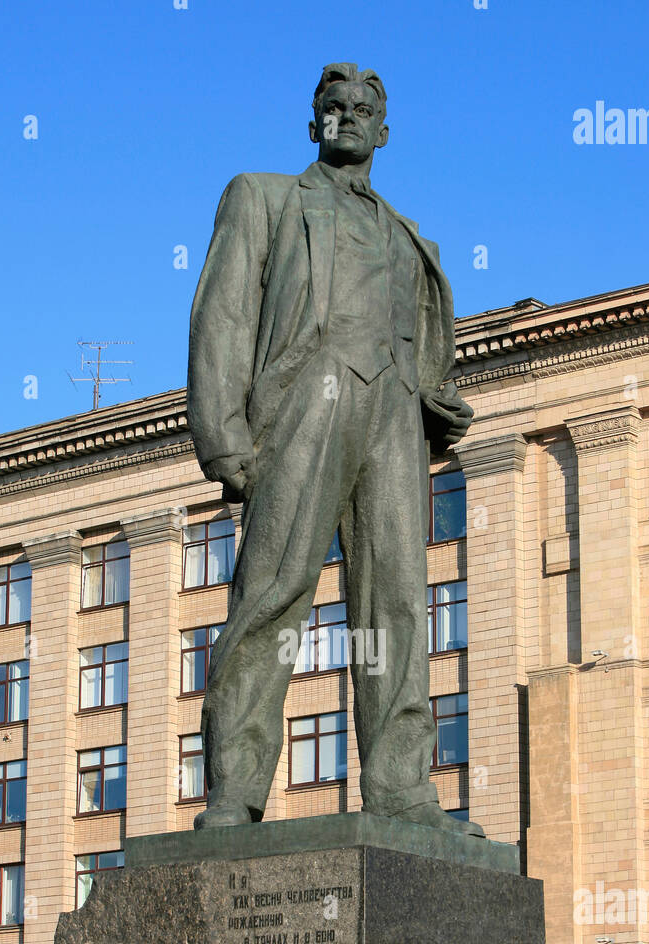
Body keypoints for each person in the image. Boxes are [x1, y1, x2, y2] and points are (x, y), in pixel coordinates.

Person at [187, 62, 482, 837]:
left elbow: (420, 341)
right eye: (333, 107)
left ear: (384, 131)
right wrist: (223, 440)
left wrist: (433, 396)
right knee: (272, 595)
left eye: (363, 110)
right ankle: (236, 793)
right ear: (312, 121)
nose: (347, 118)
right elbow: (220, 317)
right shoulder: (265, 197)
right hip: (303, 408)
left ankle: (401, 789)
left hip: (391, 417)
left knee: (394, 607)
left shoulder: (409, 236)